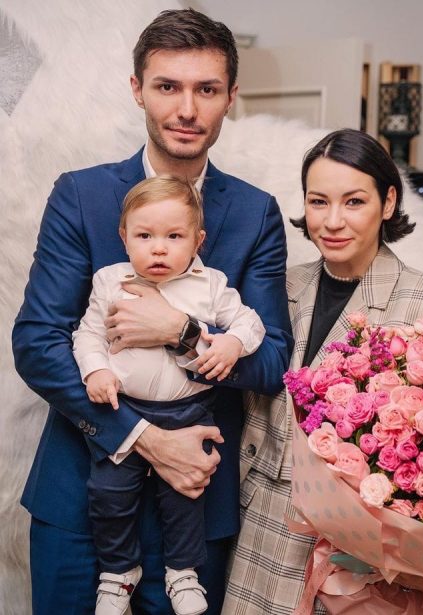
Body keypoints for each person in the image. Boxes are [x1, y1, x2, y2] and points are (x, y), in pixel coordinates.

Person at [12, 9, 292, 615]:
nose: (186, 109)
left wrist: (182, 333)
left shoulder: (255, 212)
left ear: (231, 97)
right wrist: (143, 439)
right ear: (138, 89)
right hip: (79, 498)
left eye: (206, 89)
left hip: (195, 500)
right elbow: (38, 342)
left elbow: (272, 360)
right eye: (168, 86)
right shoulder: (82, 195)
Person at [223, 128, 423, 614]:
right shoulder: (278, 286)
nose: (332, 221)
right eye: (319, 201)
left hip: (354, 557)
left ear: (388, 201)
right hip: (256, 527)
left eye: (354, 201)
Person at [72, 175, 266, 615]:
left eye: (174, 237)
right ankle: (118, 572)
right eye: (145, 236)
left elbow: (251, 323)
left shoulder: (211, 284)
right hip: (124, 410)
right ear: (124, 237)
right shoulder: (110, 281)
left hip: (188, 411)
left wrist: (233, 343)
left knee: (184, 497)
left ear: (198, 240)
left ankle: (183, 571)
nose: (158, 249)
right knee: (109, 495)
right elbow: (87, 334)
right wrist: (96, 369)